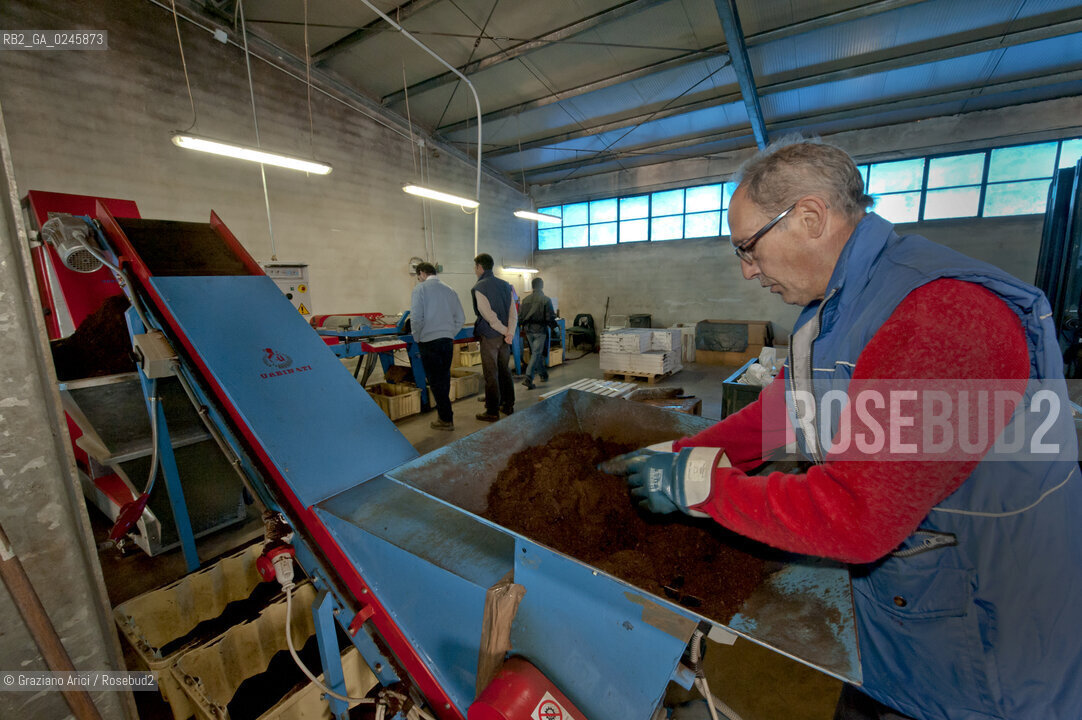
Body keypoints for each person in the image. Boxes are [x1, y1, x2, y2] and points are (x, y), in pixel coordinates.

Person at [601, 140, 1082, 720]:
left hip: (987, 654)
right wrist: (676, 452)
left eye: (748, 249)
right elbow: (782, 415)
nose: (748, 270)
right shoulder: (841, 311)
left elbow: (859, 516)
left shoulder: (943, 319)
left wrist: (698, 485)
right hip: (910, 620)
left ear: (809, 217)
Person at [409, 262, 465, 431]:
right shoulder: (450, 290)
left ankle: (446, 419)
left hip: (429, 342)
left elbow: (416, 318)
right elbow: (460, 318)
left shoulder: (420, 289)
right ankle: (445, 416)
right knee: (444, 378)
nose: (419, 279)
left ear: (422, 273)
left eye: (418, 276)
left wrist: (417, 337)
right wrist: (449, 333)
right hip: (447, 342)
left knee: (435, 381)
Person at [471, 253, 517, 421]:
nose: (475, 271)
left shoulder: (480, 287)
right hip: (505, 338)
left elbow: (489, 316)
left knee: (491, 374)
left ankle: (492, 411)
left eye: (475, 267)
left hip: (491, 337)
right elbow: (513, 313)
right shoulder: (506, 285)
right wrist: (509, 332)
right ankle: (508, 404)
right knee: (505, 371)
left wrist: (506, 331)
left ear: (479, 267)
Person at [518, 276, 557, 390]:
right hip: (540, 330)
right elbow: (550, 317)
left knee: (536, 353)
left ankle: (543, 374)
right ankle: (528, 378)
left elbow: (520, 317)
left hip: (528, 330)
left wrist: (521, 328)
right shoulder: (546, 300)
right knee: (536, 353)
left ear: (532, 286)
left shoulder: (525, 300)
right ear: (542, 286)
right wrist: (555, 328)